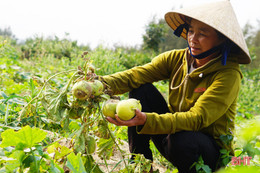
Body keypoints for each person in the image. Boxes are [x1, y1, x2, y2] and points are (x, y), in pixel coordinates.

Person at [102, 1, 251, 172]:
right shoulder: (177, 59)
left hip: (207, 153)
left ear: (221, 40)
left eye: (202, 33)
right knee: (141, 90)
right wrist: (99, 84)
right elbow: (137, 75)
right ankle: (140, 165)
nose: (193, 39)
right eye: (191, 31)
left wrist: (147, 120)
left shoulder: (228, 74)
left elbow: (197, 118)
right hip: (173, 139)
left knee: (183, 138)